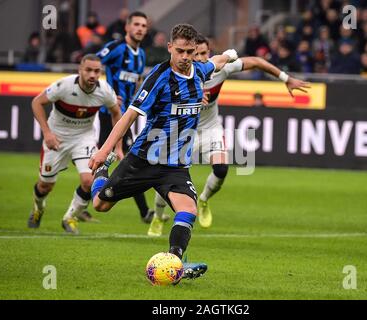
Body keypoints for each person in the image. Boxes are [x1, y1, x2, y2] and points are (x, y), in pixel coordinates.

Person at [89, 24, 238, 279]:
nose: (185, 57)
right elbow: (129, 116)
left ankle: (175, 264)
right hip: (144, 160)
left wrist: (230, 55)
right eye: (180, 51)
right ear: (169, 47)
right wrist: (104, 151)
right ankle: (102, 172)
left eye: (190, 52)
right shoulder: (159, 78)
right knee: (100, 205)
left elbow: (216, 61)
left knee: (188, 210)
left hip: (175, 165)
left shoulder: (199, 71)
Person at [147, 34, 310, 236]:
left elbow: (257, 62)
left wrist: (286, 78)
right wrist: (194, 99)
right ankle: (158, 215)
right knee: (168, 179)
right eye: (195, 54)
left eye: (203, 53)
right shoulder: (176, 74)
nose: (199, 58)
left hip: (210, 129)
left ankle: (204, 199)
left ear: (210, 53)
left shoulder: (220, 69)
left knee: (222, 168)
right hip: (182, 132)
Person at [28, 54, 123, 234]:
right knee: (45, 185)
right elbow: (36, 102)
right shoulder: (64, 86)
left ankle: (70, 217)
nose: (93, 75)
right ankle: (38, 208)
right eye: (88, 70)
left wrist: (118, 147)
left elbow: (117, 114)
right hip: (57, 137)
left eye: (97, 71)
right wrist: (47, 133)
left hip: (83, 138)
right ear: (80, 70)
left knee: (89, 181)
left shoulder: (104, 90)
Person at [97, 11, 154, 223]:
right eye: (136, 24)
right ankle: (84, 200)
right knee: (111, 162)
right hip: (108, 116)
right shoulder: (115, 48)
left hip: (126, 117)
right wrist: (104, 93)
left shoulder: (142, 55)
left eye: (143, 25)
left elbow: (137, 82)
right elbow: (90, 65)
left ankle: (144, 212)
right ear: (127, 27)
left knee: (128, 162)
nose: (140, 28)